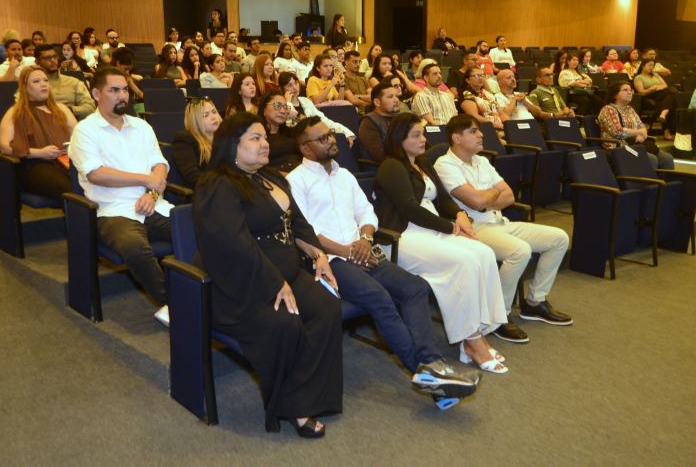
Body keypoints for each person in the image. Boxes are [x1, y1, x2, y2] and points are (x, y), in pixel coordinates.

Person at [288, 116, 481, 399]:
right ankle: (426, 371)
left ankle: (432, 364)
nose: (331, 140)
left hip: (362, 251)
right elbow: (306, 232)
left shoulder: (345, 175)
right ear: (305, 148)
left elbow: (366, 212)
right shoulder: (296, 181)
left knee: (415, 287)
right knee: (379, 297)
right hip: (330, 261)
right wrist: (347, 251)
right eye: (322, 138)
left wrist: (365, 240)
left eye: (330, 134)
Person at [193, 111, 342, 437]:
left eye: (265, 137)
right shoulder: (218, 185)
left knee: (327, 308)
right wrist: (275, 282)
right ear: (232, 145)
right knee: (285, 324)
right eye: (255, 138)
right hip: (245, 283)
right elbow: (233, 244)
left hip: (288, 273)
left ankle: (308, 393)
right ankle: (294, 406)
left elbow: (298, 223)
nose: (265, 144)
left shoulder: (272, 177)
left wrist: (320, 256)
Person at [373, 113, 508, 373]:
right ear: (400, 139)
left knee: (483, 253)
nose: (423, 139)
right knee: (464, 261)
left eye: (423, 134)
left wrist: (460, 215)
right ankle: (470, 340)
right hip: (403, 236)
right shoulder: (391, 166)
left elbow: (443, 199)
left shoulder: (422, 163)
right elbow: (409, 209)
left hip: (431, 229)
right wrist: (451, 227)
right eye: (416, 135)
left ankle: (480, 330)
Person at [435, 114, 573, 344]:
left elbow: (509, 195)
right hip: (475, 228)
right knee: (519, 251)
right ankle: (498, 317)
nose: (481, 135)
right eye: (473, 131)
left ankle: (534, 302)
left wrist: (485, 200)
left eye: (479, 130)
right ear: (456, 138)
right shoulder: (445, 164)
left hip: (500, 222)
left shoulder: (482, 161)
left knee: (558, 238)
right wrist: (489, 196)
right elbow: (476, 202)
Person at [68, 66, 174, 327]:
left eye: (125, 89)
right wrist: (145, 181)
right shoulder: (85, 130)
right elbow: (96, 174)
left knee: (201, 231)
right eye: (114, 90)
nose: (122, 96)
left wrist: (152, 193)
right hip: (112, 211)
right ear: (96, 94)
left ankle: (204, 296)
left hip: (153, 204)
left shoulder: (141, 126)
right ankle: (178, 303)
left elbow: (159, 166)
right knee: (135, 248)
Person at [0, 65, 77, 200]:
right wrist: (39, 153)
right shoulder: (13, 113)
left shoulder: (62, 109)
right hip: (34, 166)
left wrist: (70, 147)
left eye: (45, 80)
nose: (43, 84)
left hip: (65, 161)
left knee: (93, 184)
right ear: (25, 87)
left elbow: (79, 137)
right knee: (73, 190)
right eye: (36, 81)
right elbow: (4, 147)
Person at [598, 82, 674, 169]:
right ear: (615, 95)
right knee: (651, 159)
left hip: (633, 144)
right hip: (617, 147)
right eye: (625, 90)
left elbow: (642, 127)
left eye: (630, 90)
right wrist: (638, 132)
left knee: (667, 158)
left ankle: (663, 178)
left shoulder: (630, 109)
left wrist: (641, 134)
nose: (629, 92)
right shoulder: (608, 110)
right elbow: (618, 132)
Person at [278, 72, 356, 144]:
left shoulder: (305, 101)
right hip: (298, 141)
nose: (295, 87)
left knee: (341, 139)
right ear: (282, 89)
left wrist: (346, 133)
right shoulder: (281, 105)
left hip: (315, 138)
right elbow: (291, 123)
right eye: (289, 85)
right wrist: (287, 102)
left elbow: (323, 120)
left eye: (296, 83)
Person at [171, 97, 222, 188]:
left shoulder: (223, 137)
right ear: (195, 120)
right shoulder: (184, 139)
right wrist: (220, 185)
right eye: (206, 115)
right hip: (205, 190)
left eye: (214, 112)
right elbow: (191, 175)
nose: (213, 117)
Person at [633, 58, 677, 140]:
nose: (651, 67)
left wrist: (657, 87)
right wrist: (651, 89)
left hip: (661, 95)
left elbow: (665, 85)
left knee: (666, 98)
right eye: (649, 65)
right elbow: (641, 92)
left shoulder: (655, 75)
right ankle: (666, 126)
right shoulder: (638, 77)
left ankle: (663, 116)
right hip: (649, 97)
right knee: (671, 97)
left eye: (653, 65)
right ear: (643, 66)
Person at [358, 83, 401, 163]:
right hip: (384, 168)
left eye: (397, 96)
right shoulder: (368, 122)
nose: (396, 100)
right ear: (377, 102)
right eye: (390, 97)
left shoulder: (399, 119)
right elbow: (380, 156)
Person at [260, 90, 300, 173]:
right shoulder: (258, 137)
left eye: (285, 107)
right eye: (277, 105)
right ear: (264, 110)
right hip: (277, 177)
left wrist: (297, 116)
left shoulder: (292, 132)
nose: (283, 111)